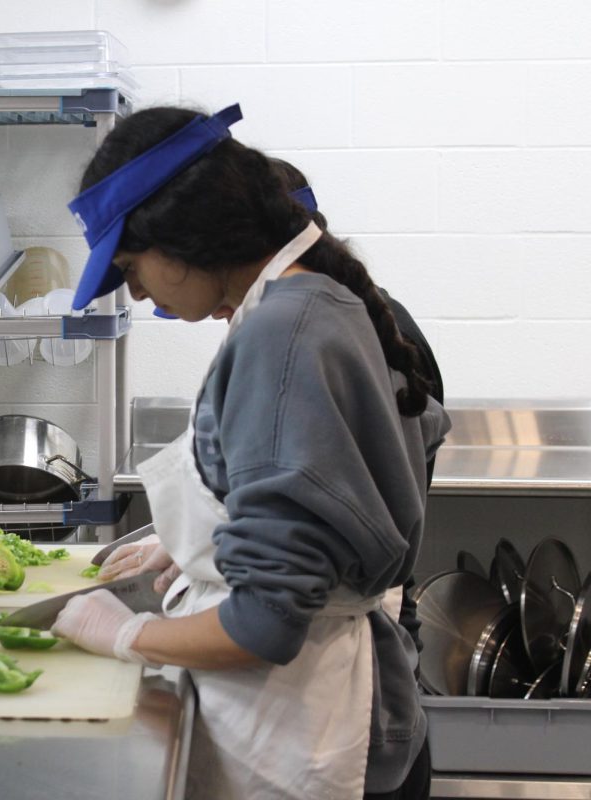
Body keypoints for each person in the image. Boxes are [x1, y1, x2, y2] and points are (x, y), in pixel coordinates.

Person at [51, 104, 451, 800]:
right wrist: (207, 541)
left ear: (183, 238)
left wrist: (127, 634)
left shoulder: (281, 335)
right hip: (326, 710)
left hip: (297, 728)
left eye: (133, 267)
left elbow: (265, 623)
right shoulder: (317, 306)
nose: (138, 292)